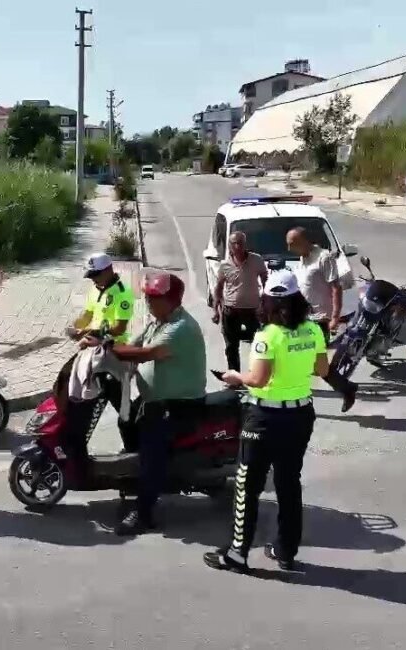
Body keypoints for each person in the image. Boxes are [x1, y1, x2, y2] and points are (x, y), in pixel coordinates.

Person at [203, 269, 327, 574]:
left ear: (268, 301)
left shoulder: (267, 335)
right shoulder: (313, 331)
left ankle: (237, 554)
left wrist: (235, 378)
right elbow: (322, 369)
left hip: (265, 417)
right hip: (299, 416)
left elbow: (258, 379)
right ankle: (285, 551)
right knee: (289, 484)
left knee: (248, 485)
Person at [94, 272, 205, 536]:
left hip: (178, 404)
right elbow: (133, 345)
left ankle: (144, 514)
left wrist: (110, 348)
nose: (148, 302)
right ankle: (136, 478)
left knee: (152, 453)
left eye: (153, 298)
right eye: (147, 297)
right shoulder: (158, 323)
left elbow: (146, 354)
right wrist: (103, 347)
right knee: (127, 421)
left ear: (171, 300)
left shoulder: (180, 328)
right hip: (154, 400)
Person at [68, 253, 136, 449]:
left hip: (113, 353)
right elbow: (88, 314)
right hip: (92, 349)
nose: (93, 279)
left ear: (109, 270)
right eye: (91, 276)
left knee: (121, 405)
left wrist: (90, 331)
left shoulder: (123, 293)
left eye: (96, 275)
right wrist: (76, 327)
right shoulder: (96, 289)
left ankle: (133, 446)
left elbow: (119, 328)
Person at [286, 227, 357, 412]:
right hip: (303, 319)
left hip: (319, 320)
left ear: (303, 241)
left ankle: (345, 388)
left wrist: (335, 317)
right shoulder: (302, 259)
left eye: (291, 244)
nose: (288, 249)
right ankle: (345, 387)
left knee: (312, 362)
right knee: (311, 363)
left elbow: (336, 288)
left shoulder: (323, 258)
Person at [211, 231, 268, 372]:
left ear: (245, 244)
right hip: (231, 311)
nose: (237, 246)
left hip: (252, 311)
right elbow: (218, 288)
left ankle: (257, 373)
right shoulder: (225, 265)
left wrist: (266, 304)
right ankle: (234, 376)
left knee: (259, 343)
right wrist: (215, 311)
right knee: (231, 346)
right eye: (234, 243)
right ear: (230, 246)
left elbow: (266, 280)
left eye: (240, 243)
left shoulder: (256, 260)